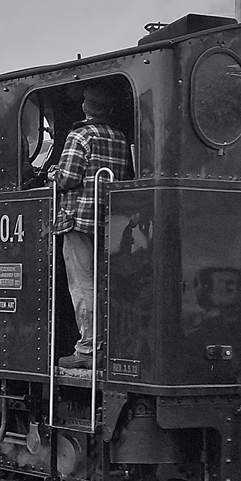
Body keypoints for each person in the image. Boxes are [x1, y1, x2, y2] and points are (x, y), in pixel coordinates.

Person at [47, 84, 134, 370]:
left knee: (83, 287)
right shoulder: (120, 138)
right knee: (104, 285)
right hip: (110, 221)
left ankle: (87, 348)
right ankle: (108, 344)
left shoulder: (81, 135)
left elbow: (69, 177)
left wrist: (53, 174)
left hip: (79, 219)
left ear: (86, 107)